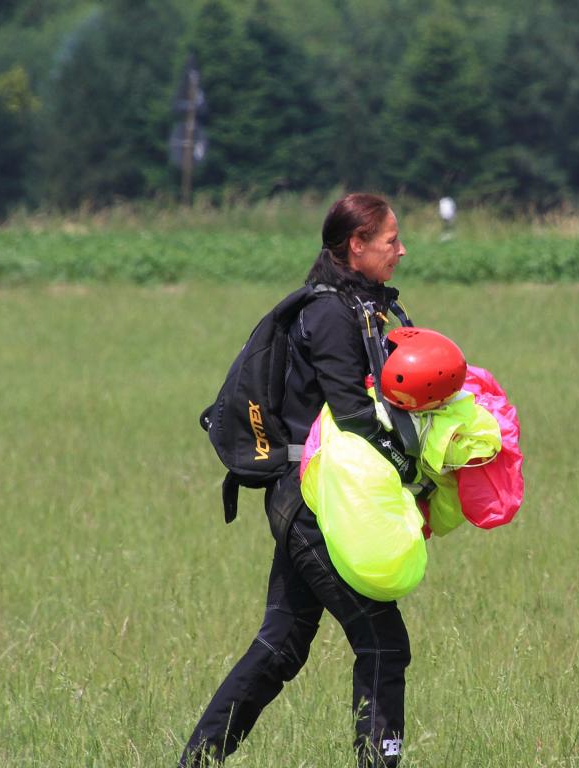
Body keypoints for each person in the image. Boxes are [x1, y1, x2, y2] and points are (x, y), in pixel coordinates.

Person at [180, 193, 416, 767]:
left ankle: (197, 762)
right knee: (383, 643)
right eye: (391, 241)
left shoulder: (356, 306)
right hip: (313, 502)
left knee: (280, 645)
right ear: (356, 245)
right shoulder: (332, 314)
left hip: (310, 497)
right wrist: (411, 463)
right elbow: (353, 414)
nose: (402, 250)